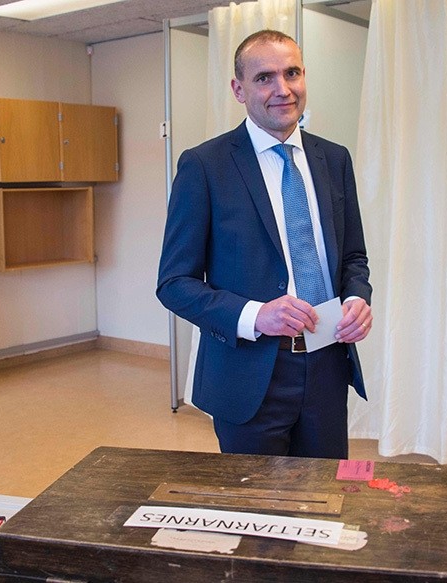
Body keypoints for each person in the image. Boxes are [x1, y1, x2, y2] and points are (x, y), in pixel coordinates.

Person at [157, 29, 372, 460]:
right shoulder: (205, 166)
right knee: (257, 514)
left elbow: (353, 256)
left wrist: (357, 298)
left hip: (327, 365)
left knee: (323, 505)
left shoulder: (334, 159)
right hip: (248, 374)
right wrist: (257, 315)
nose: (282, 89)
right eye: (264, 78)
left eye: (292, 73)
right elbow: (174, 283)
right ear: (239, 89)